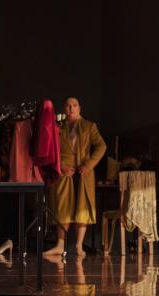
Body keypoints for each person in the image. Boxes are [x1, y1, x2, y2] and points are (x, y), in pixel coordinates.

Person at [43, 97, 106, 257]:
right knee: (62, 207)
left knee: (82, 207)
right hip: (65, 173)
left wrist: (89, 164)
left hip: (84, 173)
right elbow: (51, 150)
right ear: (64, 109)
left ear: (79, 108)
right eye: (68, 105)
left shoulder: (89, 126)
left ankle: (79, 245)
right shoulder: (58, 127)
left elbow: (101, 146)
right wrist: (61, 166)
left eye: (74, 105)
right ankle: (60, 244)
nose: (71, 108)